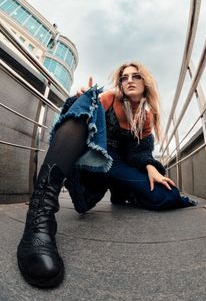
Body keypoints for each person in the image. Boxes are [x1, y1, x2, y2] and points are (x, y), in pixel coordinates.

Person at [17, 62, 196, 289]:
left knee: (169, 196)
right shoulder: (110, 99)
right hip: (94, 162)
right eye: (124, 77)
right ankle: (39, 214)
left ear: (146, 83)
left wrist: (150, 166)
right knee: (87, 99)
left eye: (136, 76)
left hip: (119, 167)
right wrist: (81, 98)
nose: (129, 80)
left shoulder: (146, 118)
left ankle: (123, 194)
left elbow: (139, 153)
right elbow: (81, 118)